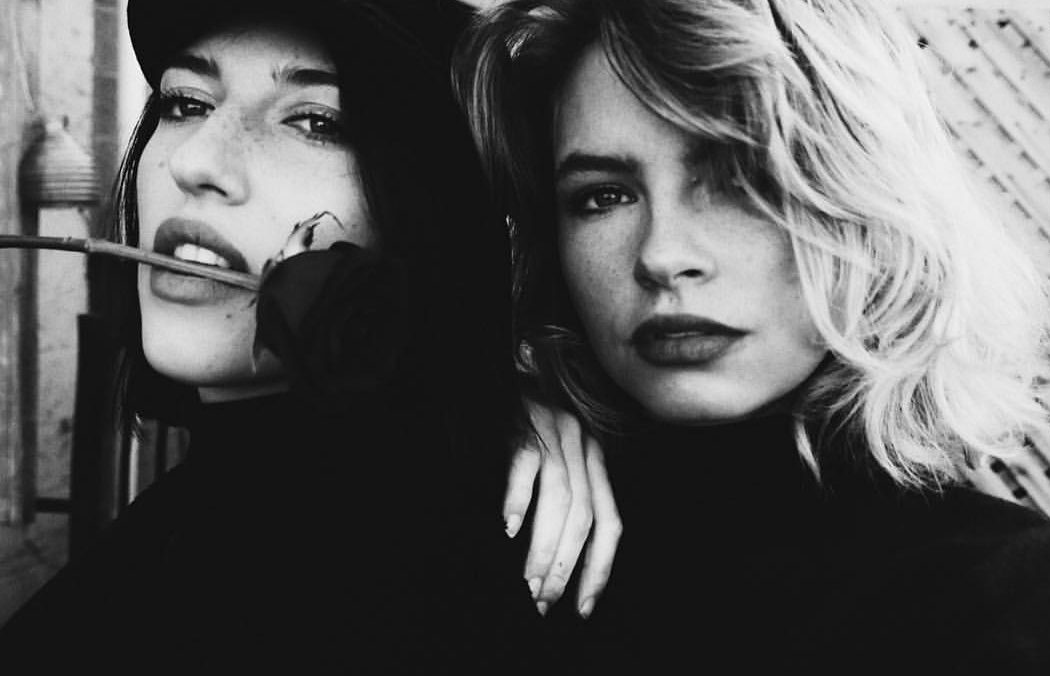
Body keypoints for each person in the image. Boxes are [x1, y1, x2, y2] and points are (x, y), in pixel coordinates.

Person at [455, 0, 1050, 672]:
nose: (662, 255)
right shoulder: (485, 515)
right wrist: (479, 420)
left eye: (737, 177)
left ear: (868, 204)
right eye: (603, 196)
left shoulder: (1018, 604)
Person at [0, 0, 617, 670]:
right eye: (184, 103)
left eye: (316, 121)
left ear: (429, 209)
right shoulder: (202, 530)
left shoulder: (417, 583)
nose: (195, 161)